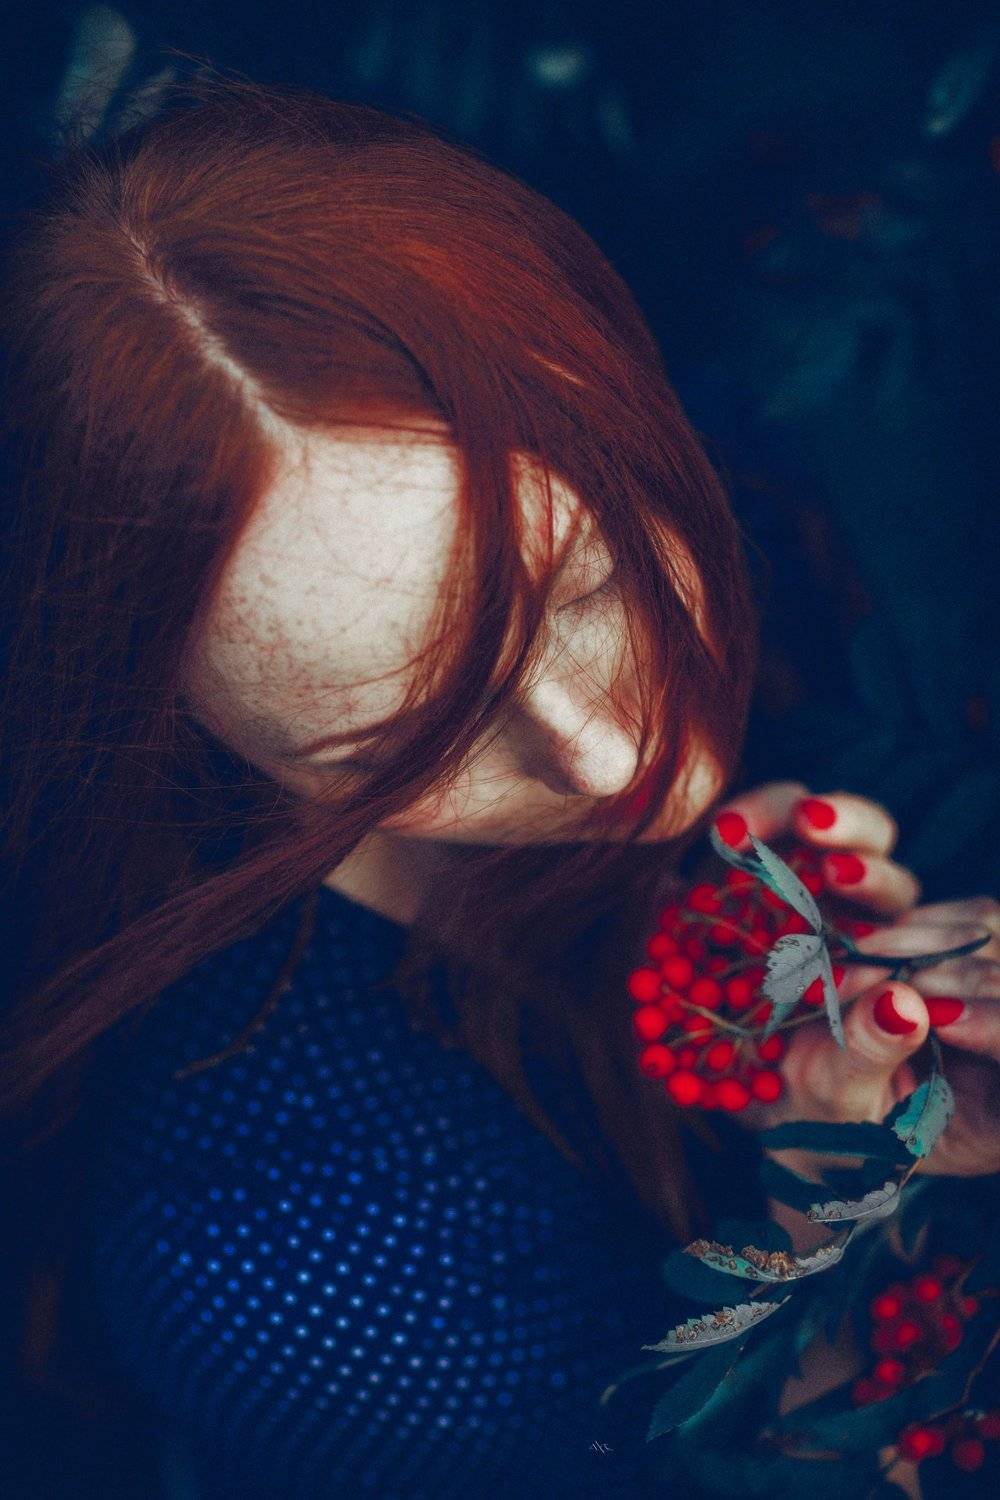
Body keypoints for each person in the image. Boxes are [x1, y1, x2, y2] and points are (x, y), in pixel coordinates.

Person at [1, 65, 996, 1500]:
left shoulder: (836, 457)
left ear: (615, 393)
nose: (613, 759)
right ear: (181, 726)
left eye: (585, 587)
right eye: (388, 748)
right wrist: (836, 1208)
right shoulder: (294, 1260)